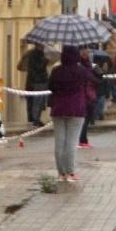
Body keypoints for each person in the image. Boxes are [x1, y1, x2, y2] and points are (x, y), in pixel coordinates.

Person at [49, 46, 95, 182]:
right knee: (71, 142)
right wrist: (85, 62)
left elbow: (50, 86)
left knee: (59, 141)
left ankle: (61, 173)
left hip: (58, 108)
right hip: (76, 109)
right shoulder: (80, 71)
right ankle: (70, 172)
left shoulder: (56, 71)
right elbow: (93, 78)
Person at [23, 43, 49, 127]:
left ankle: (37, 118)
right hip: (38, 81)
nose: (44, 46)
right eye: (42, 45)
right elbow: (38, 68)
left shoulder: (39, 54)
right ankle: (35, 119)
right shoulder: (35, 55)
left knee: (40, 102)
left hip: (40, 80)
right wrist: (45, 61)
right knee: (37, 101)